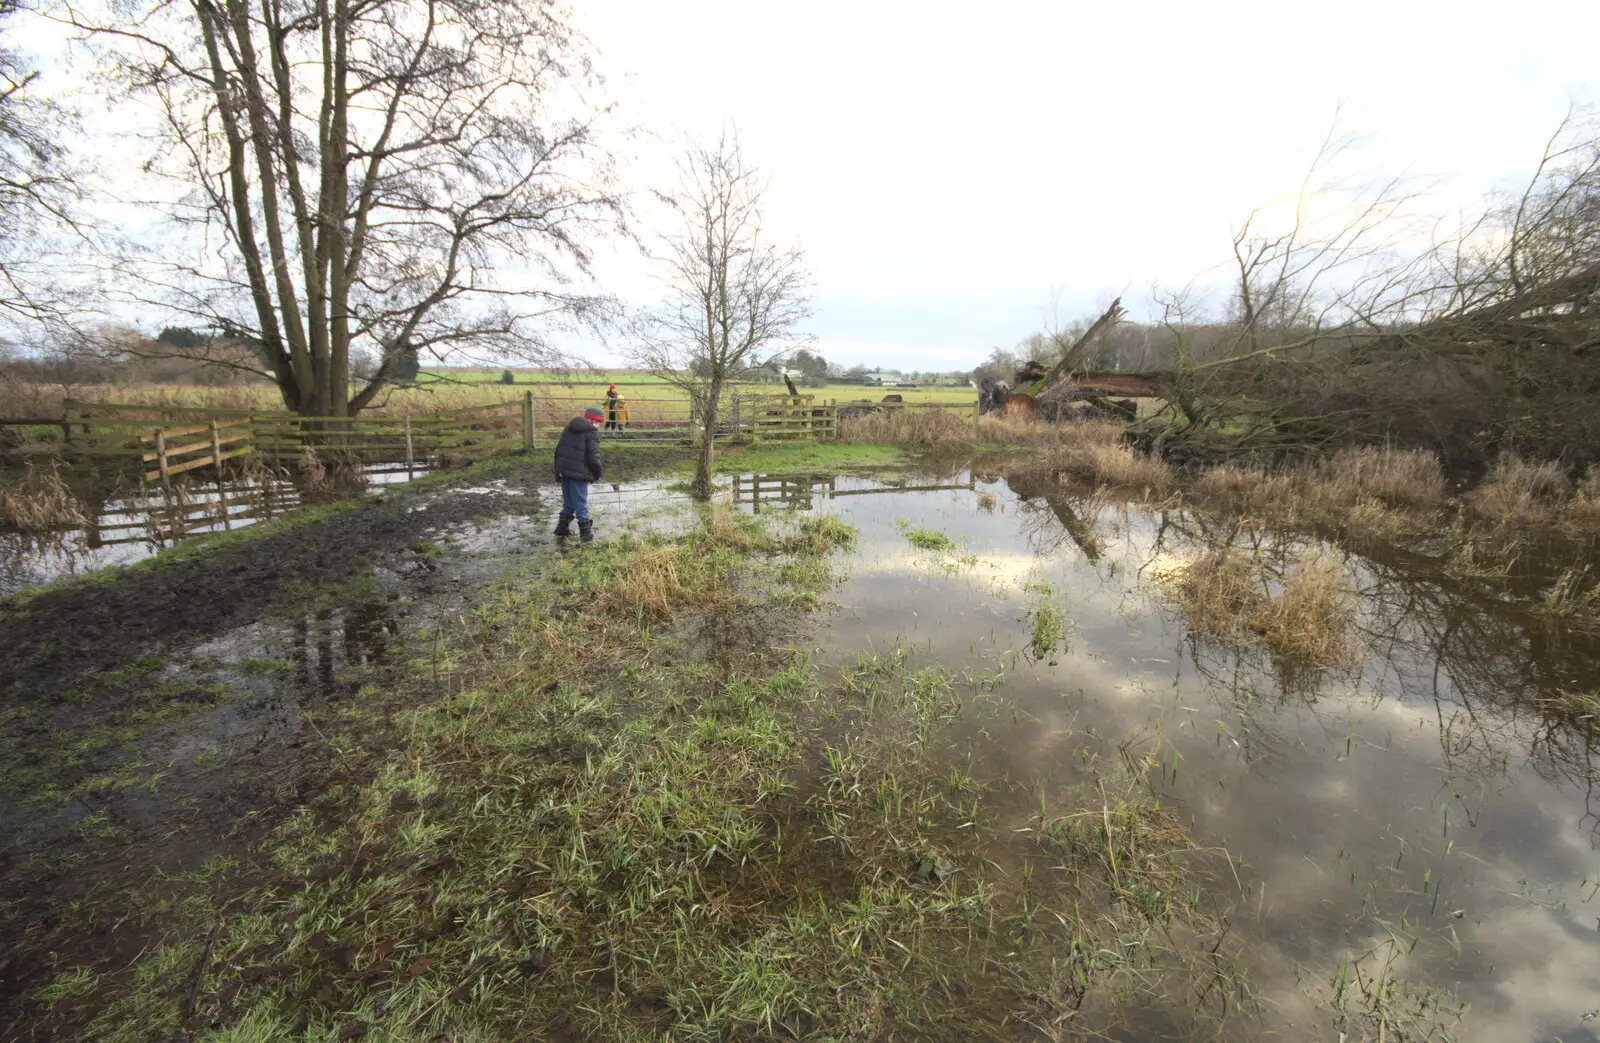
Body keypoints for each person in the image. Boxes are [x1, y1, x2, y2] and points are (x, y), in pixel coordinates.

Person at [554, 406, 604, 541]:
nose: (598, 426)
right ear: (592, 420)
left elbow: (559, 450)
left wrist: (558, 471)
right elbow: (593, 458)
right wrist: (598, 473)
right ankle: (586, 534)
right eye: (598, 422)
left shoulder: (569, 429)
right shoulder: (591, 433)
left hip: (565, 472)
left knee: (569, 502)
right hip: (579, 474)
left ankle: (561, 528)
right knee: (581, 503)